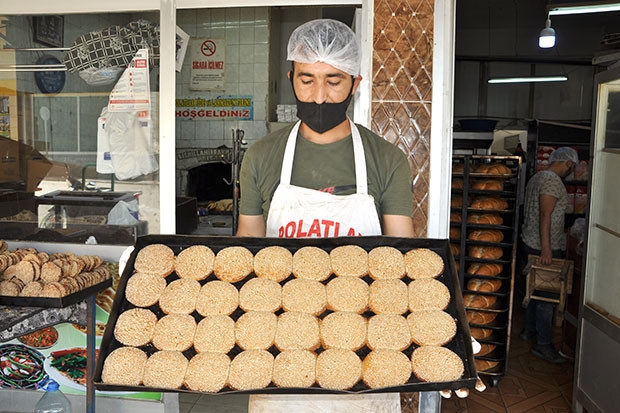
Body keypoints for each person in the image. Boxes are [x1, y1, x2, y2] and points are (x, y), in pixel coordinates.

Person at [236, 18, 414, 239]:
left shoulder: (388, 160)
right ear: (291, 80)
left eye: (334, 82)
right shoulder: (259, 156)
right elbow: (248, 248)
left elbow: (400, 254)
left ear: (354, 85)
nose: (319, 98)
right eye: (307, 81)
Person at [518, 146, 579, 364]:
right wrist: (547, 248)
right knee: (547, 295)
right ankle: (543, 344)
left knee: (533, 288)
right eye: (572, 166)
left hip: (530, 241)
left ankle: (529, 330)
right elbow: (545, 214)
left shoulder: (538, 177)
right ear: (568, 163)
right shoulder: (553, 181)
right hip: (543, 247)